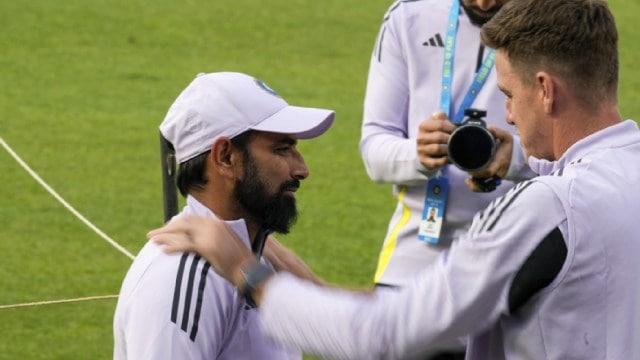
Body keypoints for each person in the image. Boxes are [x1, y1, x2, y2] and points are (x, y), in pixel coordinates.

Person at [148, 0, 640, 358]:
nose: (506, 116)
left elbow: (391, 333)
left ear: (545, 91)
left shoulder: (545, 208)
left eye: (508, 94)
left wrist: (248, 272)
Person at [113, 71, 334, 359]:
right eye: (282, 149)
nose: (302, 169)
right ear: (225, 157)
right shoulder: (184, 277)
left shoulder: (262, 260)